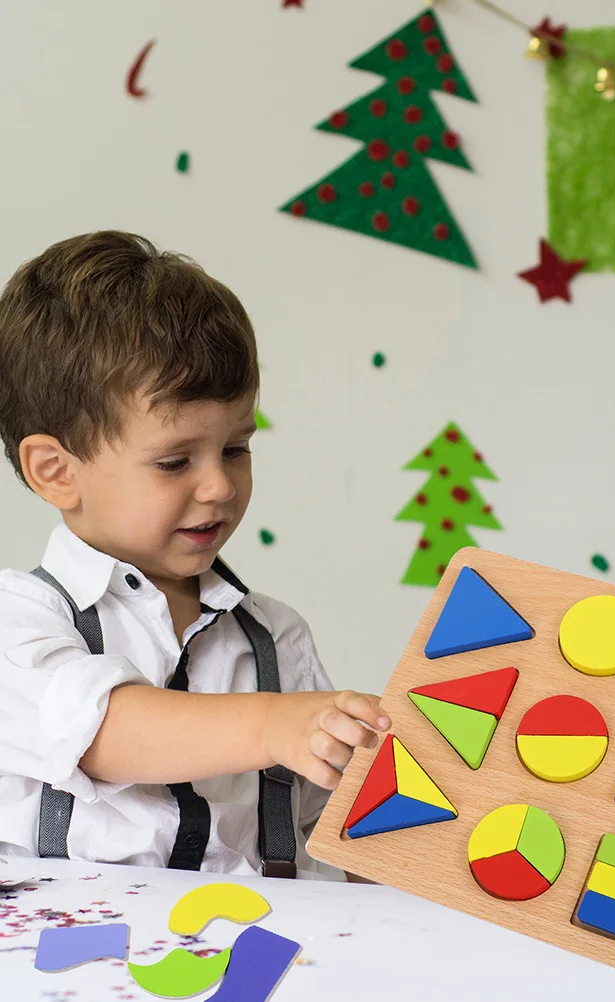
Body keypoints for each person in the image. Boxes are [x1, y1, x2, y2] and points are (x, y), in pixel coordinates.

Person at [0, 231, 390, 879]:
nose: (218, 486)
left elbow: (333, 827)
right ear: (56, 471)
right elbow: (100, 733)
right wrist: (275, 725)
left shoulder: (275, 634)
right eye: (176, 460)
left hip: (273, 958)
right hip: (79, 966)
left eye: (235, 448)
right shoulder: (19, 619)